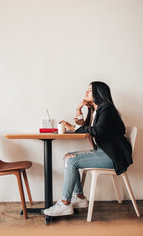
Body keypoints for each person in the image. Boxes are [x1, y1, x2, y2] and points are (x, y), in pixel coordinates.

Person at [44, 81, 132, 217]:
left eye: (90, 90)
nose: (87, 92)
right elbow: (84, 125)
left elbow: (97, 130)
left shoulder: (106, 108)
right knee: (68, 157)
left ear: (99, 92)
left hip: (112, 156)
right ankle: (78, 196)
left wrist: (72, 127)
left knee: (72, 161)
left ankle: (65, 203)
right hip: (104, 152)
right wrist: (79, 109)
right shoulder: (96, 110)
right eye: (88, 89)